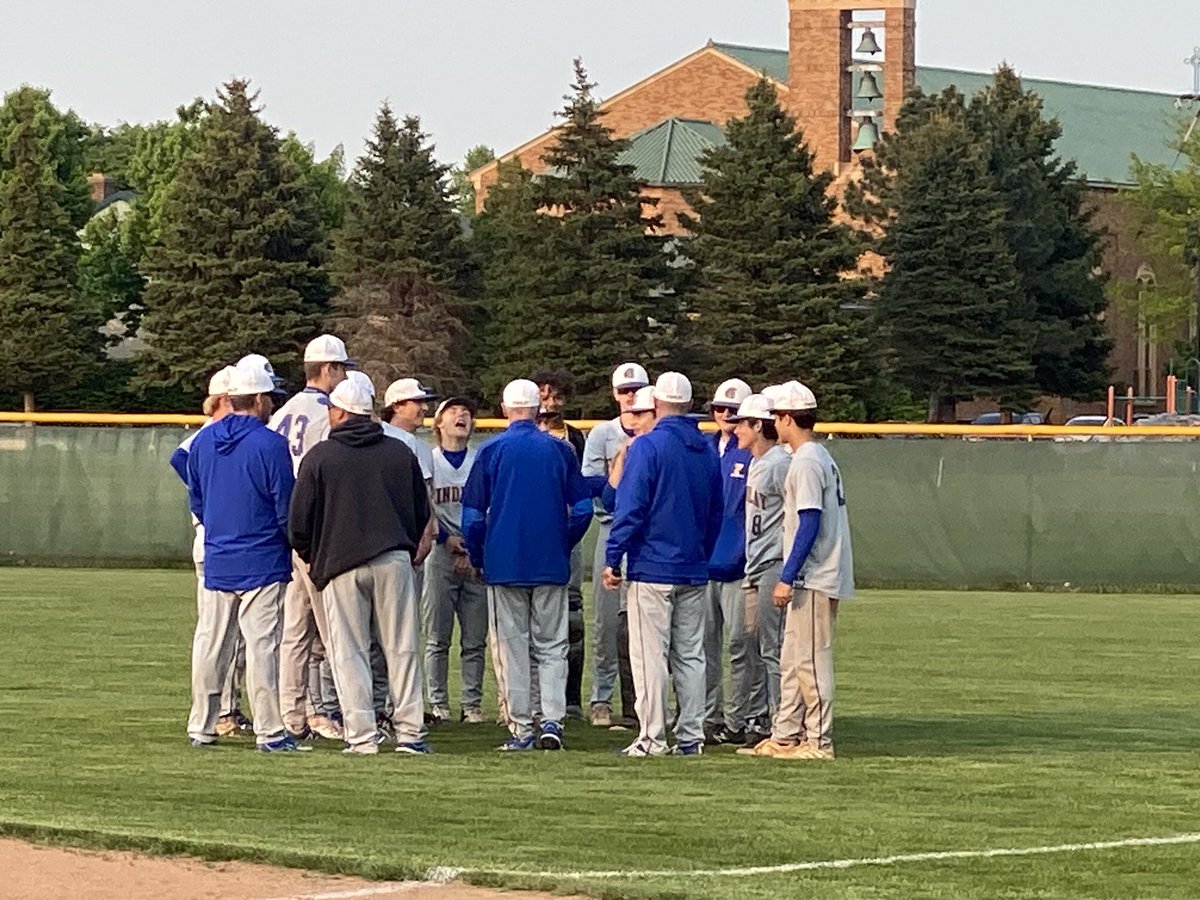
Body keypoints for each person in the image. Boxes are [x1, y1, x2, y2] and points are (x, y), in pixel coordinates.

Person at [288, 376, 432, 754]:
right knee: (401, 647)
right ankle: (411, 733)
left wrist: (312, 556)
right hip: (394, 559)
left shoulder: (319, 456)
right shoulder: (400, 452)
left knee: (348, 652)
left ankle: (362, 735)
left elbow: (299, 523)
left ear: (338, 412)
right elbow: (421, 513)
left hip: (340, 565)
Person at [462, 379, 593, 751]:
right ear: (538, 410)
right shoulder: (560, 449)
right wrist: (562, 541)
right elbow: (582, 510)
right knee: (553, 644)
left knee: (512, 647)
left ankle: (521, 728)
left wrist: (478, 554)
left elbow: (472, 517)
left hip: (504, 562)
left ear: (504, 410)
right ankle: (552, 719)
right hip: (550, 560)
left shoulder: (490, 451)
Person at [185, 357, 302, 752]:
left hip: (219, 555)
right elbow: (285, 504)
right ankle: (269, 730)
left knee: (211, 644)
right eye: (269, 396)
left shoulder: (202, 441)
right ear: (258, 398)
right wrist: (295, 542)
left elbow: (197, 500)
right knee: (261, 646)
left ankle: (202, 724)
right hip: (263, 557)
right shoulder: (270, 444)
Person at [604, 372, 723, 757]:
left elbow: (631, 506)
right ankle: (691, 736)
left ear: (656, 404)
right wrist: (702, 552)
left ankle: (652, 737)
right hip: (693, 565)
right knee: (690, 655)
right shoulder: (706, 448)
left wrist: (612, 556)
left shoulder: (648, 446)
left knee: (649, 656)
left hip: (652, 566)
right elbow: (716, 511)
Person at [738, 382, 854, 761]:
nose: (775, 423)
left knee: (810, 661)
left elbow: (808, 521)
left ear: (788, 418)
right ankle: (785, 735)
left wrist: (788, 575)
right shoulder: (815, 456)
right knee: (790, 660)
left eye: (777, 416)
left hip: (816, 574)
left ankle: (819, 742)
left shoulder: (805, 460)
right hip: (811, 572)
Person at [268, 334, 354, 743]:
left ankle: (292, 714)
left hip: (288, 529)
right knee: (330, 629)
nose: (344, 376)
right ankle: (326, 711)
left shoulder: (283, 411)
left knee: (295, 631)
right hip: (318, 530)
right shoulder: (329, 414)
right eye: (342, 369)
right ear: (329, 370)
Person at [170, 365, 250, 737]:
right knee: (218, 636)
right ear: (221, 400)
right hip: (216, 544)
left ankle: (224, 711)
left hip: (222, 543)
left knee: (232, 638)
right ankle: (219, 713)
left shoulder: (223, 439)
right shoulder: (206, 438)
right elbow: (180, 460)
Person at [582, 362, 649, 728]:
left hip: (643, 534)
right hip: (610, 527)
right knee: (606, 624)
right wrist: (619, 469)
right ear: (614, 394)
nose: (629, 396)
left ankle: (642, 701)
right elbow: (592, 486)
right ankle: (601, 698)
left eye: (636, 390)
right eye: (624, 391)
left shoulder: (651, 436)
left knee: (642, 624)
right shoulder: (602, 434)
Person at [703, 378, 762, 746]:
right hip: (704, 563)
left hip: (739, 564)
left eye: (733, 412)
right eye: (720, 409)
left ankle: (741, 717)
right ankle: (708, 716)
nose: (725, 416)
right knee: (703, 647)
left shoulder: (753, 454)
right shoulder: (704, 449)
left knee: (743, 645)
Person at [729, 393, 790, 748]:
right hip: (755, 564)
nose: (737, 429)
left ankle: (782, 723)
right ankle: (757, 717)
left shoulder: (780, 462)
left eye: (743, 422)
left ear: (758, 425)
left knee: (773, 649)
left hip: (774, 564)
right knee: (747, 644)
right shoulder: (757, 462)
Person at [424, 396, 488, 724]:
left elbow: (488, 507)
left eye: (467, 412)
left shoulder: (480, 460)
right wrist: (445, 539)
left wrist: (471, 548)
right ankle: (438, 703)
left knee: (475, 638)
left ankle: (471, 704)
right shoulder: (430, 460)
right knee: (437, 636)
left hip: (476, 555)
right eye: (453, 412)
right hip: (439, 553)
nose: (461, 415)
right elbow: (423, 509)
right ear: (439, 423)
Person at [532, 369, 586, 720]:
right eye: (544, 396)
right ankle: (533, 698)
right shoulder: (523, 436)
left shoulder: (575, 438)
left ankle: (570, 697)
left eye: (556, 396)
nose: (550, 403)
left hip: (569, 531)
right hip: (536, 531)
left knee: (573, 616)